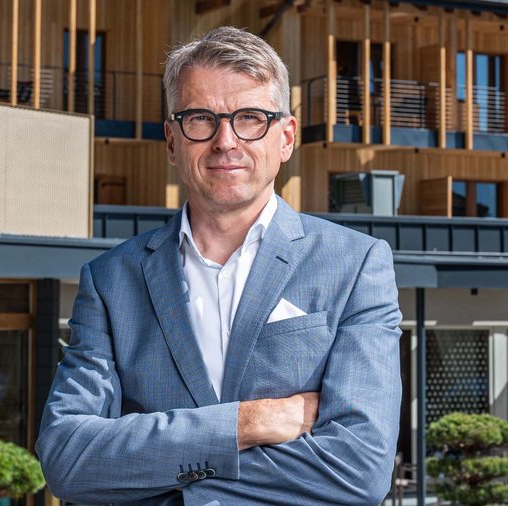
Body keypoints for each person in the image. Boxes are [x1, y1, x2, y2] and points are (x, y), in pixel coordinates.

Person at [36, 26, 402, 505]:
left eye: (250, 117)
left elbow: (360, 471)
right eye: (200, 119)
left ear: (286, 137)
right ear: (171, 140)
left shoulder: (357, 266)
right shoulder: (110, 282)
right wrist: (250, 422)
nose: (225, 141)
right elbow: (69, 460)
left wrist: (156, 472)